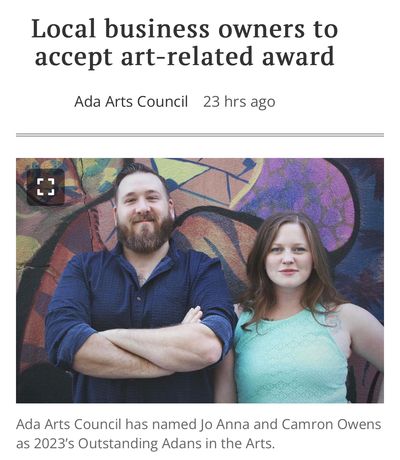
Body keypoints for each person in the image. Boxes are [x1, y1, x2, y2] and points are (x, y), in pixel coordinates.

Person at [45, 162, 236, 403]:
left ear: (170, 209)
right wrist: (170, 359)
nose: (142, 207)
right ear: (115, 215)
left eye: (152, 198)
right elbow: (63, 343)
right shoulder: (83, 269)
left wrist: (106, 337)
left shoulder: (202, 269)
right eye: (130, 200)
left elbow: (208, 347)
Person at [214, 212, 384, 403]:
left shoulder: (345, 317)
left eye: (299, 249)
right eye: (276, 250)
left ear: (314, 258)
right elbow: (224, 402)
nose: (287, 259)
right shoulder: (235, 318)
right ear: (263, 258)